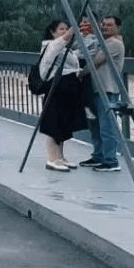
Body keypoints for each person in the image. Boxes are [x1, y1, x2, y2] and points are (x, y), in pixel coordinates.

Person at [36, 19, 88, 171]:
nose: (65, 32)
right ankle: (52, 159)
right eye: (61, 29)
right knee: (54, 123)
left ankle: (60, 157)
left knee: (63, 123)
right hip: (56, 89)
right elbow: (62, 41)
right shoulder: (51, 45)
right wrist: (73, 29)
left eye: (66, 29)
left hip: (67, 90)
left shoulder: (66, 49)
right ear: (52, 32)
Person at [79, 15, 126, 172]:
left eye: (109, 25)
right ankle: (98, 156)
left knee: (107, 127)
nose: (105, 27)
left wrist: (79, 73)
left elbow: (95, 61)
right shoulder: (102, 42)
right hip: (97, 89)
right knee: (96, 126)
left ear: (118, 28)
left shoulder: (114, 43)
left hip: (108, 89)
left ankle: (111, 160)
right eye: (103, 24)